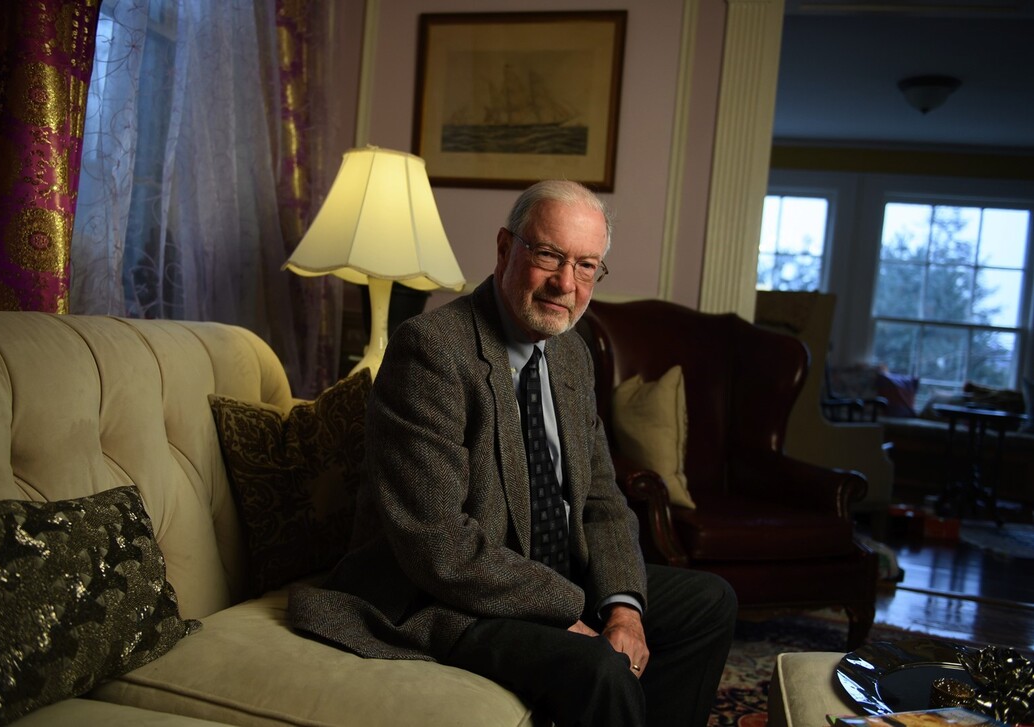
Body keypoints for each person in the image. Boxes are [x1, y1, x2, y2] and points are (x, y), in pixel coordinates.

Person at [288, 180, 737, 727]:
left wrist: (623, 609)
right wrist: (565, 609)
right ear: (505, 248)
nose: (565, 284)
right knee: (599, 666)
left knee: (709, 602)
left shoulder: (571, 354)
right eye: (548, 255)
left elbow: (601, 499)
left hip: (548, 566)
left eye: (587, 265)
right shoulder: (430, 351)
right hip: (444, 595)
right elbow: (437, 542)